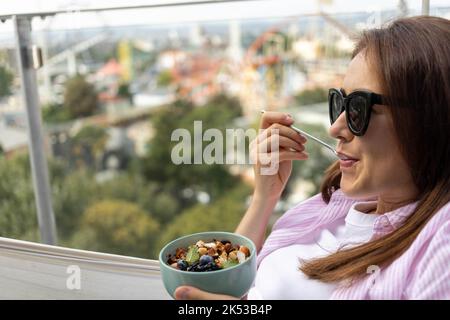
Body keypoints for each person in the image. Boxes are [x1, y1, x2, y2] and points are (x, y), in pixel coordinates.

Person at [174, 15, 450, 300]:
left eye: (359, 108)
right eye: (339, 103)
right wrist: (265, 197)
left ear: (430, 121)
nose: (336, 128)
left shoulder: (441, 238)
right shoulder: (334, 208)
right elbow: (224, 291)